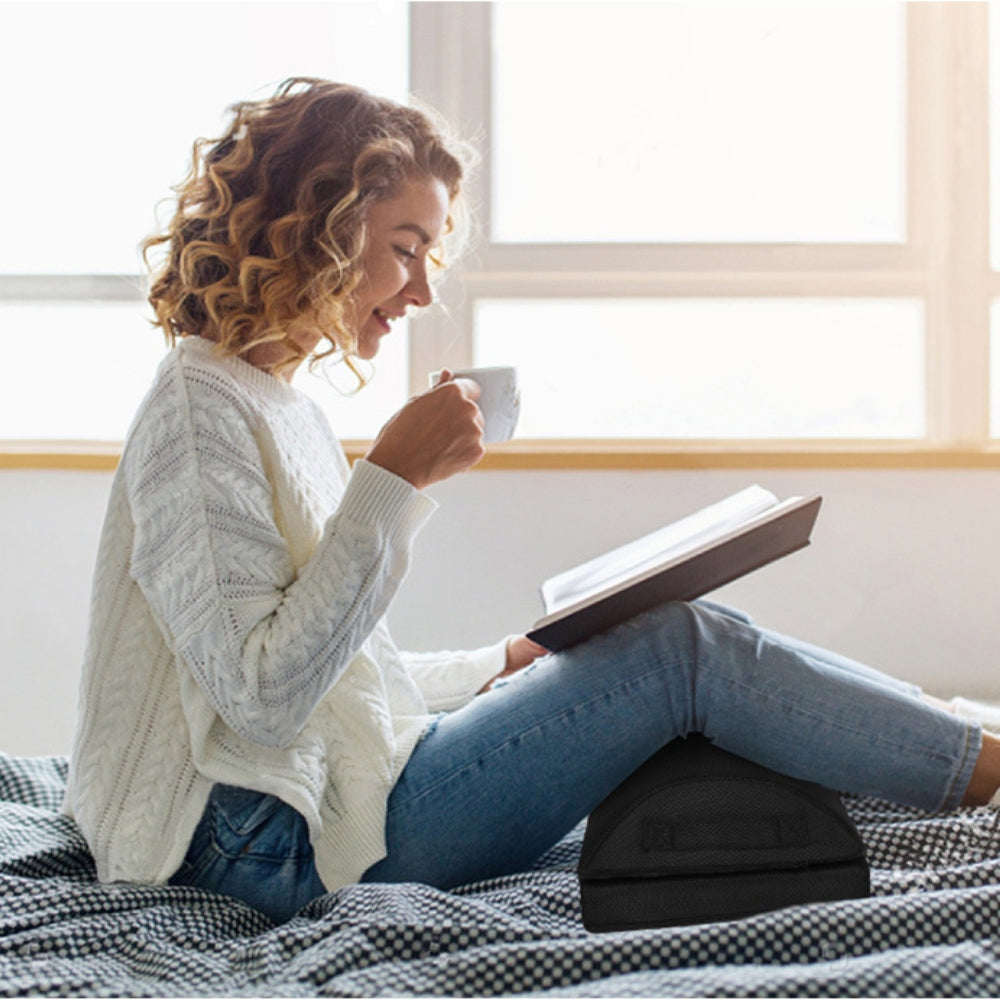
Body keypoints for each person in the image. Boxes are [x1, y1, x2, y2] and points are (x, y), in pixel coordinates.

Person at [63, 77, 1000, 925]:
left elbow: (344, 680)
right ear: (317, 231)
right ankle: (981, 764)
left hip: (309, 802)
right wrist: (391, 482)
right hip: (261, 849)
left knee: (670, 625)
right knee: (681, 652)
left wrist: (503, 661)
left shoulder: (278, 402)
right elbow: (264, 699)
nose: (422, 290)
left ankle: (963, 731)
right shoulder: (198, 412)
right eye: (405, 250)